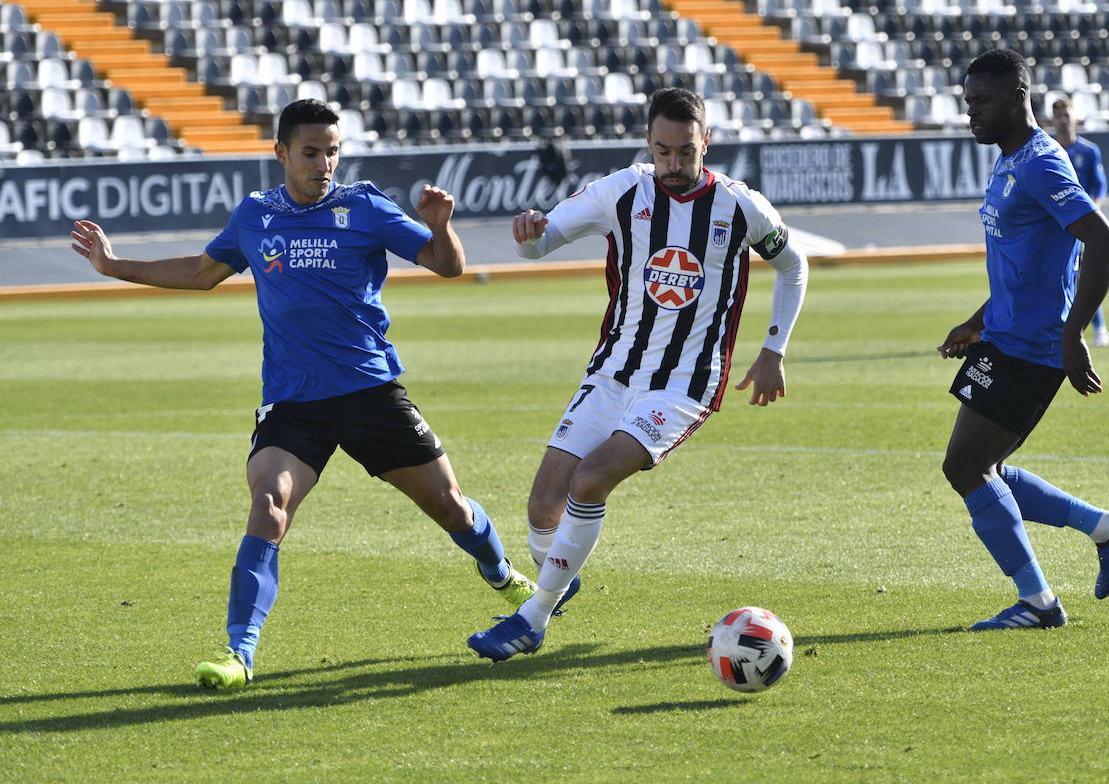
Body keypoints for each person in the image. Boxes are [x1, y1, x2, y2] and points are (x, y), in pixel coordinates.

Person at [70, 99, 535, 689]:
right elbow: (199, 271)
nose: (324, 164)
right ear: (282, 153)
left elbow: (446, 266)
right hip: (293, 402)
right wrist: (114, 266)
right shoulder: (256, 214)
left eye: (332, 152)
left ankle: (498, 571)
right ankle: (239, 654)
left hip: (370, 391)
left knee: (450, 507)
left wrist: (441, 226)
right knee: (268, 505)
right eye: (311, 152)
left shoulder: (365, 205)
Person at [467, 86, 809, 661]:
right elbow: (543, 241)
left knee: (591, 480)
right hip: (614, 370)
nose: (673, 165)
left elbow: (792, 266)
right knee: (542, 507)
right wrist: (528, 234)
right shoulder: (620, 191)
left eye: (685, 152)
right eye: (661, 152)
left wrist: (774, 349)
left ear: (707, 142)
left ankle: (532, 618)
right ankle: (558, 575)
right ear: (647, 143)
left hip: (684, 382)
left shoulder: (741, 205)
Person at [938, 50, 1109, 631]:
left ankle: (1038, 603)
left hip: (1031, 348)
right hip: (1000, 338)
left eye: (981, 102)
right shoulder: (1007, 161)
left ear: (1016, 99)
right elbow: (1023, 258)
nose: (970, 112)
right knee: (984, 467)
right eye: (968, 100)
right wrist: (977, 318)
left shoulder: (1039, 165)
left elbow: (1102, 242)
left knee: (967, 467)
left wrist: (1073, 334)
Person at [1050, 97, 1109, 347]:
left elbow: (1100, 186)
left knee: (1083, 279)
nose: (1063, 120)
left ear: (1074, 117)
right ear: (1052, 120)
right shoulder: (1049, 151)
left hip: (1081, 226)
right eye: (1058, 116)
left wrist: (1091, 214)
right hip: (1055, 227)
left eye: (1066, 115)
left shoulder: (1088, 151)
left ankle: (1098, 329)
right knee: (1057, 279)